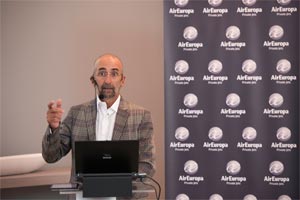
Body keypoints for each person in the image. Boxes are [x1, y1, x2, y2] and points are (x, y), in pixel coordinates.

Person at [42, 53, 156, 199]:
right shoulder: (76, 113)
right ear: (93, 80)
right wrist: (53, 128)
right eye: (102, 73)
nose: (108, 80)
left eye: (114, 74)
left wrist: (113, 187)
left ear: (123, 80)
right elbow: (51, 156)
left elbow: (148, 165)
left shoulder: (141, 116)